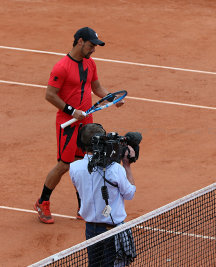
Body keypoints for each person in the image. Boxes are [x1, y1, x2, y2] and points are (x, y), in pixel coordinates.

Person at [34, 27, 124, 224]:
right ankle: (43, 201)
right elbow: (50, 95)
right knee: (64, 165)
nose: (93, 49)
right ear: (80, 41)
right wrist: (70, 110)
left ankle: (82, 206)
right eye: (91, 45)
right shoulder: (61, 67)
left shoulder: (90, 64)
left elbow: (97, 87)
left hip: (86, 123)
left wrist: (112, 98)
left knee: (85, 163)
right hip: (68, 123)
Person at [70, 123, 136, 266]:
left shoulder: (74, 168)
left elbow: (80, 188)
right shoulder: (115, 169)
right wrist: (127, 166)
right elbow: (130, 193)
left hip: (91, 230)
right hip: (112, 232)